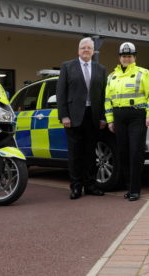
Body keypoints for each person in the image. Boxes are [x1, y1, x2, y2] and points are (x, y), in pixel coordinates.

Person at [105, 42, 149, 201]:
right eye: (123, 56)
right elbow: (108, 100)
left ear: (134, 57)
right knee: (123, 153)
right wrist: (110, 120)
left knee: (136, 152)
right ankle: (128, 187)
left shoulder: (144, 73)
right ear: (119, 58)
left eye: (129, 56)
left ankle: (135, 189)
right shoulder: (112, 76)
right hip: (119, 117)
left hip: (137, 116)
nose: (126, 59)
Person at [57, 37, 107, 199]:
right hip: (73, 117)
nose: (86, 50)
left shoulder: (101, 69)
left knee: (91, 154)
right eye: (83, 47)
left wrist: (103, 117)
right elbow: (61, 93)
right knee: (75, 154)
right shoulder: (67, 66)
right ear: (78, 50)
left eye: (89, 48)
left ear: (93, 51)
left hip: (93, 116)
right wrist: (64, 115)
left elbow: (104, 96)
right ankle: (76, 187)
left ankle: (91, 185)